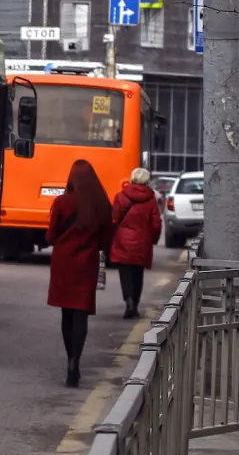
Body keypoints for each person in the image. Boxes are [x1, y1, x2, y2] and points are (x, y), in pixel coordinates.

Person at [46, 159, 114, 388]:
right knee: (81, 314)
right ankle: (76, 360)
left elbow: (51, 236)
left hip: (64, 263)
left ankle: (69, 361)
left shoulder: (63, 202)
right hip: (87, 264)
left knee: (67, 313)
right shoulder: (100, 205)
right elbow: (107, 239)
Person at [109, 168, 163, 319]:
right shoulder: (151, 200)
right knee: (138, 275)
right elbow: (156, 224)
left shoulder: (120, 197)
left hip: (123, 241)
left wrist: (113, 235)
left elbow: (114, 219)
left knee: (125, 274)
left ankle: (129, 301)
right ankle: (135, 304)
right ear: (147, 181)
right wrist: (153, 239)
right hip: (142, 242)